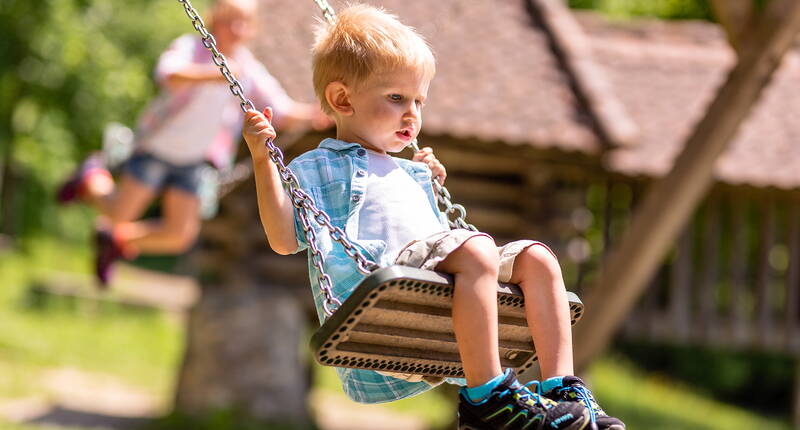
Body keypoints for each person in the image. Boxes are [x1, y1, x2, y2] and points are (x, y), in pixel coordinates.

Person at [242, 4, 624, 430]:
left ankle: (563, 392)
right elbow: (283, 239)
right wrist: (263, 161)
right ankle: (486, 399)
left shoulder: (412, 170)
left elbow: (436, 234)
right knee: (478, 248)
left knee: (539, 258)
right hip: (385, 283)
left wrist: (426, 183)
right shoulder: (319, 167)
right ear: (342, 99)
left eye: (418, 101)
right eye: (396, 98)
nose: (412, 114)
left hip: (439, 278)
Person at [56, 0, 327, 286]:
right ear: (213, 21)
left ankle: (115, 239)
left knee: (178, 235)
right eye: (228, 21)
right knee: (120, 212)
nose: (236, 29)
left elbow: (281, 109)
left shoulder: (247, 67)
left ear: (252, 29)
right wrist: (215, 73)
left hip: (195, 161)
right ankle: (91, 177)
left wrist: (312, 116)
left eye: (243, 23)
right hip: (160, 148)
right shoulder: (194, 48)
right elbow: (168, 73)